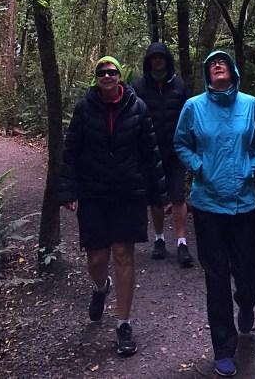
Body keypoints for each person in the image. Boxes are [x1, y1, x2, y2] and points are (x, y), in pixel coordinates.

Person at [59, 55, 167, 357]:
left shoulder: (138, 108)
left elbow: (150, 153)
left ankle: (123, 324)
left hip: (128, 192)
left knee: (123, 253)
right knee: (97, 257)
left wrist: (158, 194)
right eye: (101, 72)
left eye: (111, 71)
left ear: (119, 76)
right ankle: (100, 286)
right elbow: (71, 151)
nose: (107, 76)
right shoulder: (84, 108)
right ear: (97, 79)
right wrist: (68, 189)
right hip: (93, 192)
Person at [174, 50, 255, 379]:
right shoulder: (194, 107)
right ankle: (224, 349)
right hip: (208, 205)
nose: (217, 65)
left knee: (249, 271)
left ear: (233, 71)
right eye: (212, 63)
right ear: (207, 73)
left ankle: (247, 302)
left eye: (223, 61)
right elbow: (181, 144)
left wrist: (250, 167)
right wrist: (198, 166)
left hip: (244, 203)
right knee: (216, 278)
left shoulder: (250, 105)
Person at [132, 41, 194, 267]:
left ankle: (181, 242)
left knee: (178, 196)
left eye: (161, 57)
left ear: (167, 60)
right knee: (156, 198)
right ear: (148, 61)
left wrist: (191, 144)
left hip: (176, 151)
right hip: (150, 152)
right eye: (153, 57)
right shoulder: (139, 86)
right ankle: (159, 239)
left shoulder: (179, 86)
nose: (157, 60)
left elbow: (190, 116)